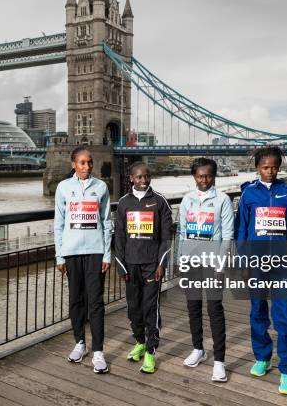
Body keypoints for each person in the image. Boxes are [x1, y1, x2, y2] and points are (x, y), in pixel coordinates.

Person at [236, 146, 287, 395]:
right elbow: (242, 231)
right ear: (257, 168)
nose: (270, 171)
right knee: (257, 313)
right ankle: (263, 357)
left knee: (285, 317)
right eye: (265, 167)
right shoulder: (248, 195)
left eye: (274, 167)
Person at [54, 146, 112, 374]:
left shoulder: (101, 187)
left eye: (89, 162)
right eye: (82, 163)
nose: (86, 167)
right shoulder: (63, 188)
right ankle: (80, 343)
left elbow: (107, 222)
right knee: (76, 300)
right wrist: (59, 255)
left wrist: (107, 254)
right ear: (73, 164)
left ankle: (98, 351)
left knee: (96, 302)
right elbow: (58, 223)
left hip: (96, 252)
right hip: (71, 252)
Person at [178, 157, 234, 382]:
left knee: (214, 309)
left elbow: (228, 234)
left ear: (214, 176)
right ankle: (198, 349)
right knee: (193, 306)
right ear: (194, 177)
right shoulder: (187, 200)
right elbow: (183, 233)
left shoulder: (223, 200)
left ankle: (219, 361)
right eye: (200, 176)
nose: (204, 180)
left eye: (209, 175)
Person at [115, 162, 173, 374]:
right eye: (139, 177)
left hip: (151, 266)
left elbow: (167, 237)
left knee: (151, 309)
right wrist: (121, 265)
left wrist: (161, 264)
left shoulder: (160, 202)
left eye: (147, 177)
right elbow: (119, 237)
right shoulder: (123, 203)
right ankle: (139, 341)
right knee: (133, 308)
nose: (143, 180)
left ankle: (150, 351)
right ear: (131, 178)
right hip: (130, 266)